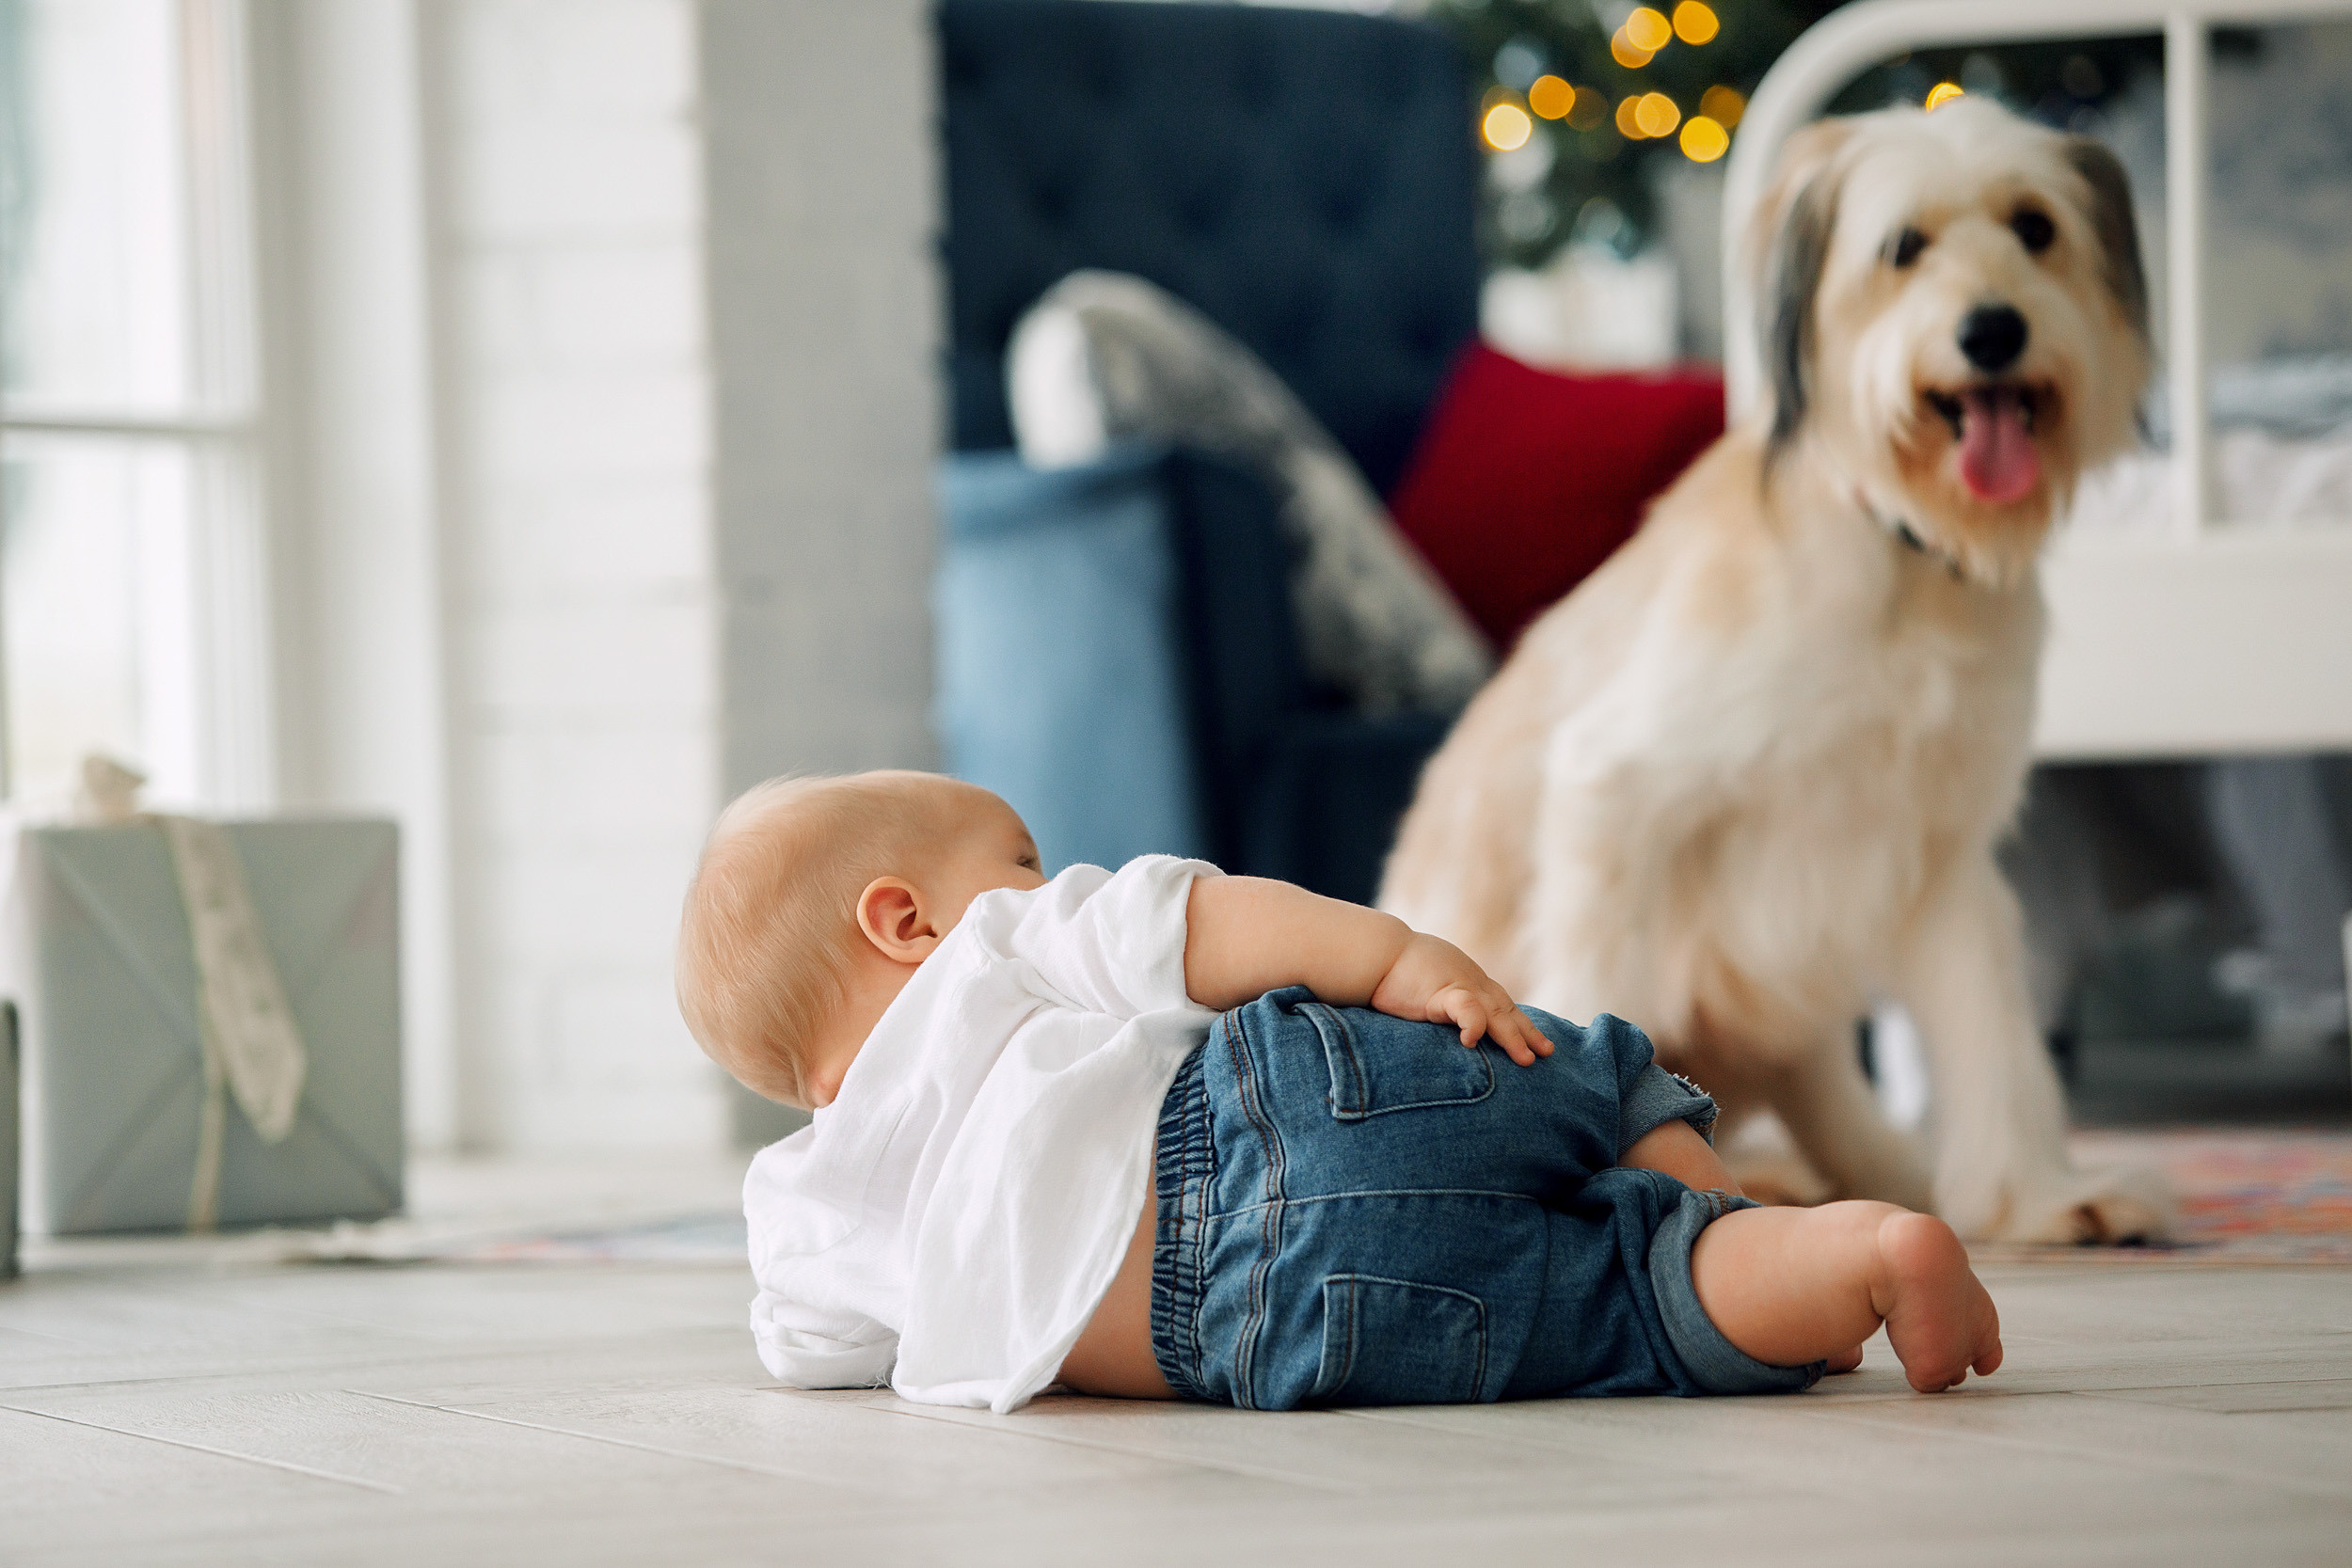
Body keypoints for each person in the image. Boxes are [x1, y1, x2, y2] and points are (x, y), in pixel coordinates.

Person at [675, 770, 2002, 1415]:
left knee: (1611, 1314)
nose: (1042, 877)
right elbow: (1187, 922)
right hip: (1263, 1106)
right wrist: (1397, 959)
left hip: (1263, 1334)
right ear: (902, 919)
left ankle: (1817, 1273)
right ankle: (1707, 1196)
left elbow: (809, 1357)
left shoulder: (801, 1213)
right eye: (1020, 857)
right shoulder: (993, 949)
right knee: (1578, 1074)